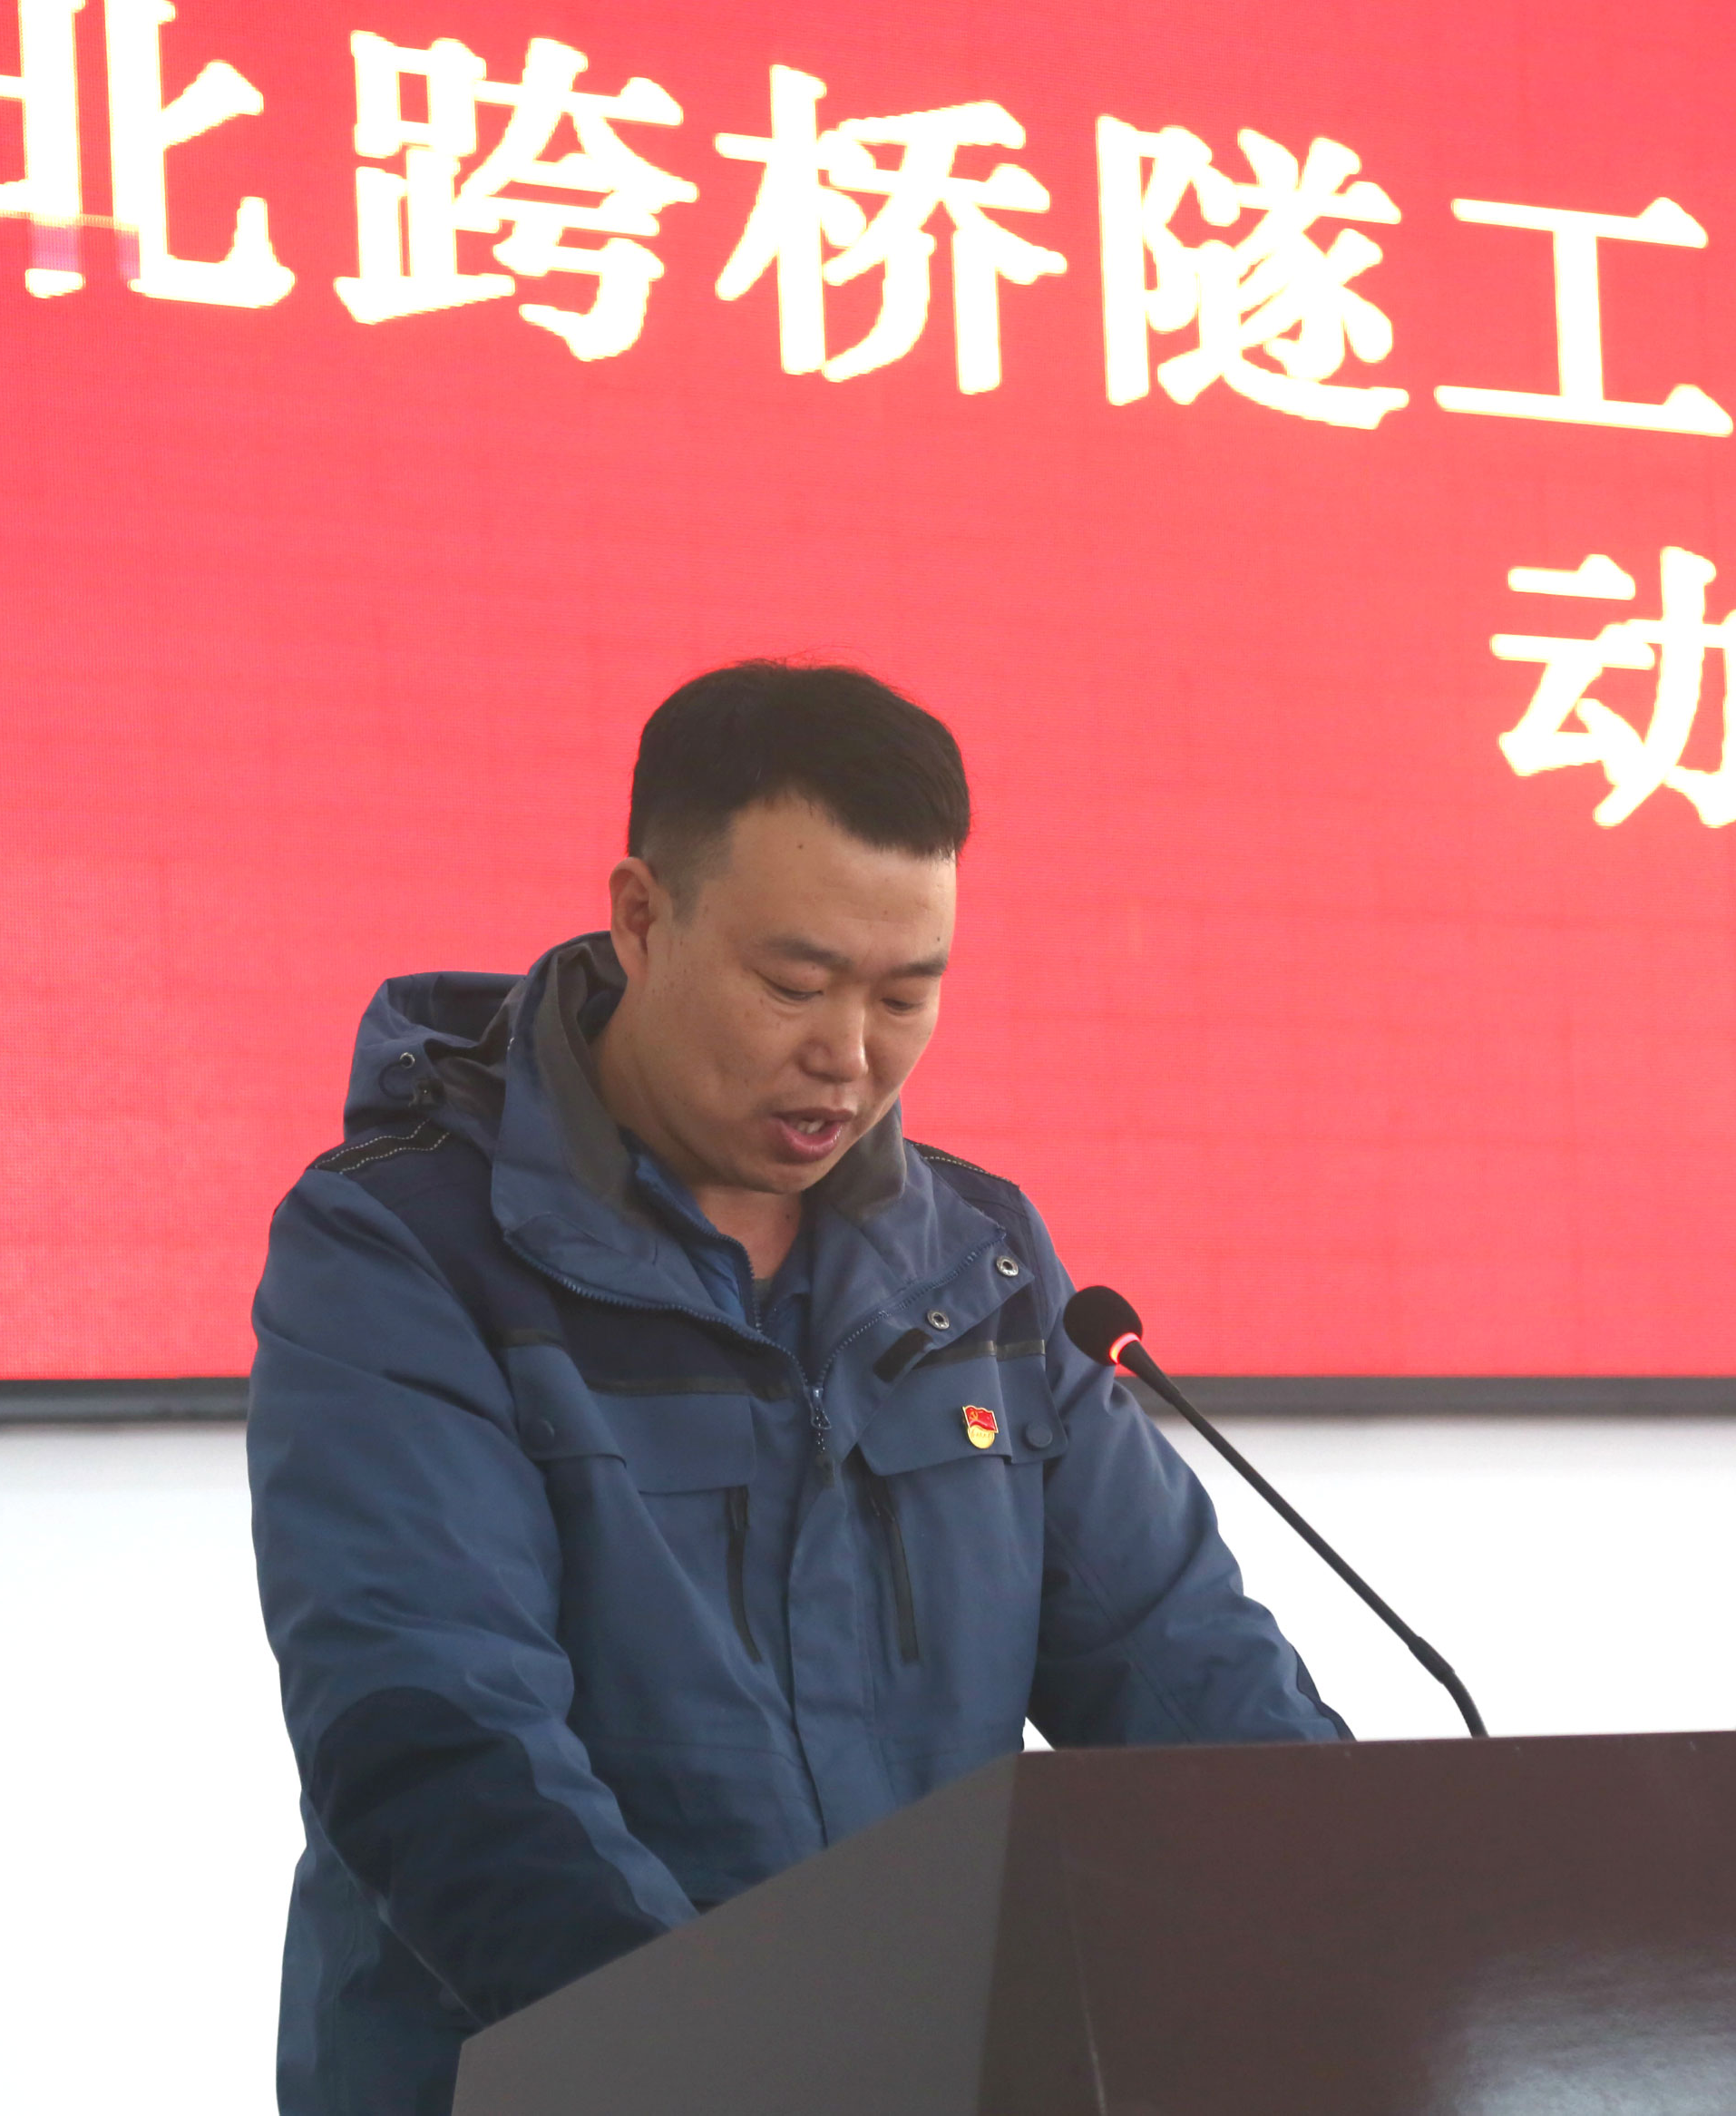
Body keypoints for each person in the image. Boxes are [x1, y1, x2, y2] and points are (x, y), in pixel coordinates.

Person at [247, 660, 1344, 2116]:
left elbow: (1177, 1658)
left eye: (906, 994)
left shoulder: (981, 1263)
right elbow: (438, 1731)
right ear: (643, 916)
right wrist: (716, 2060)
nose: (849, 1054)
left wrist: (1361, 1923)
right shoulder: (407, 1247)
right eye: (795, 985)